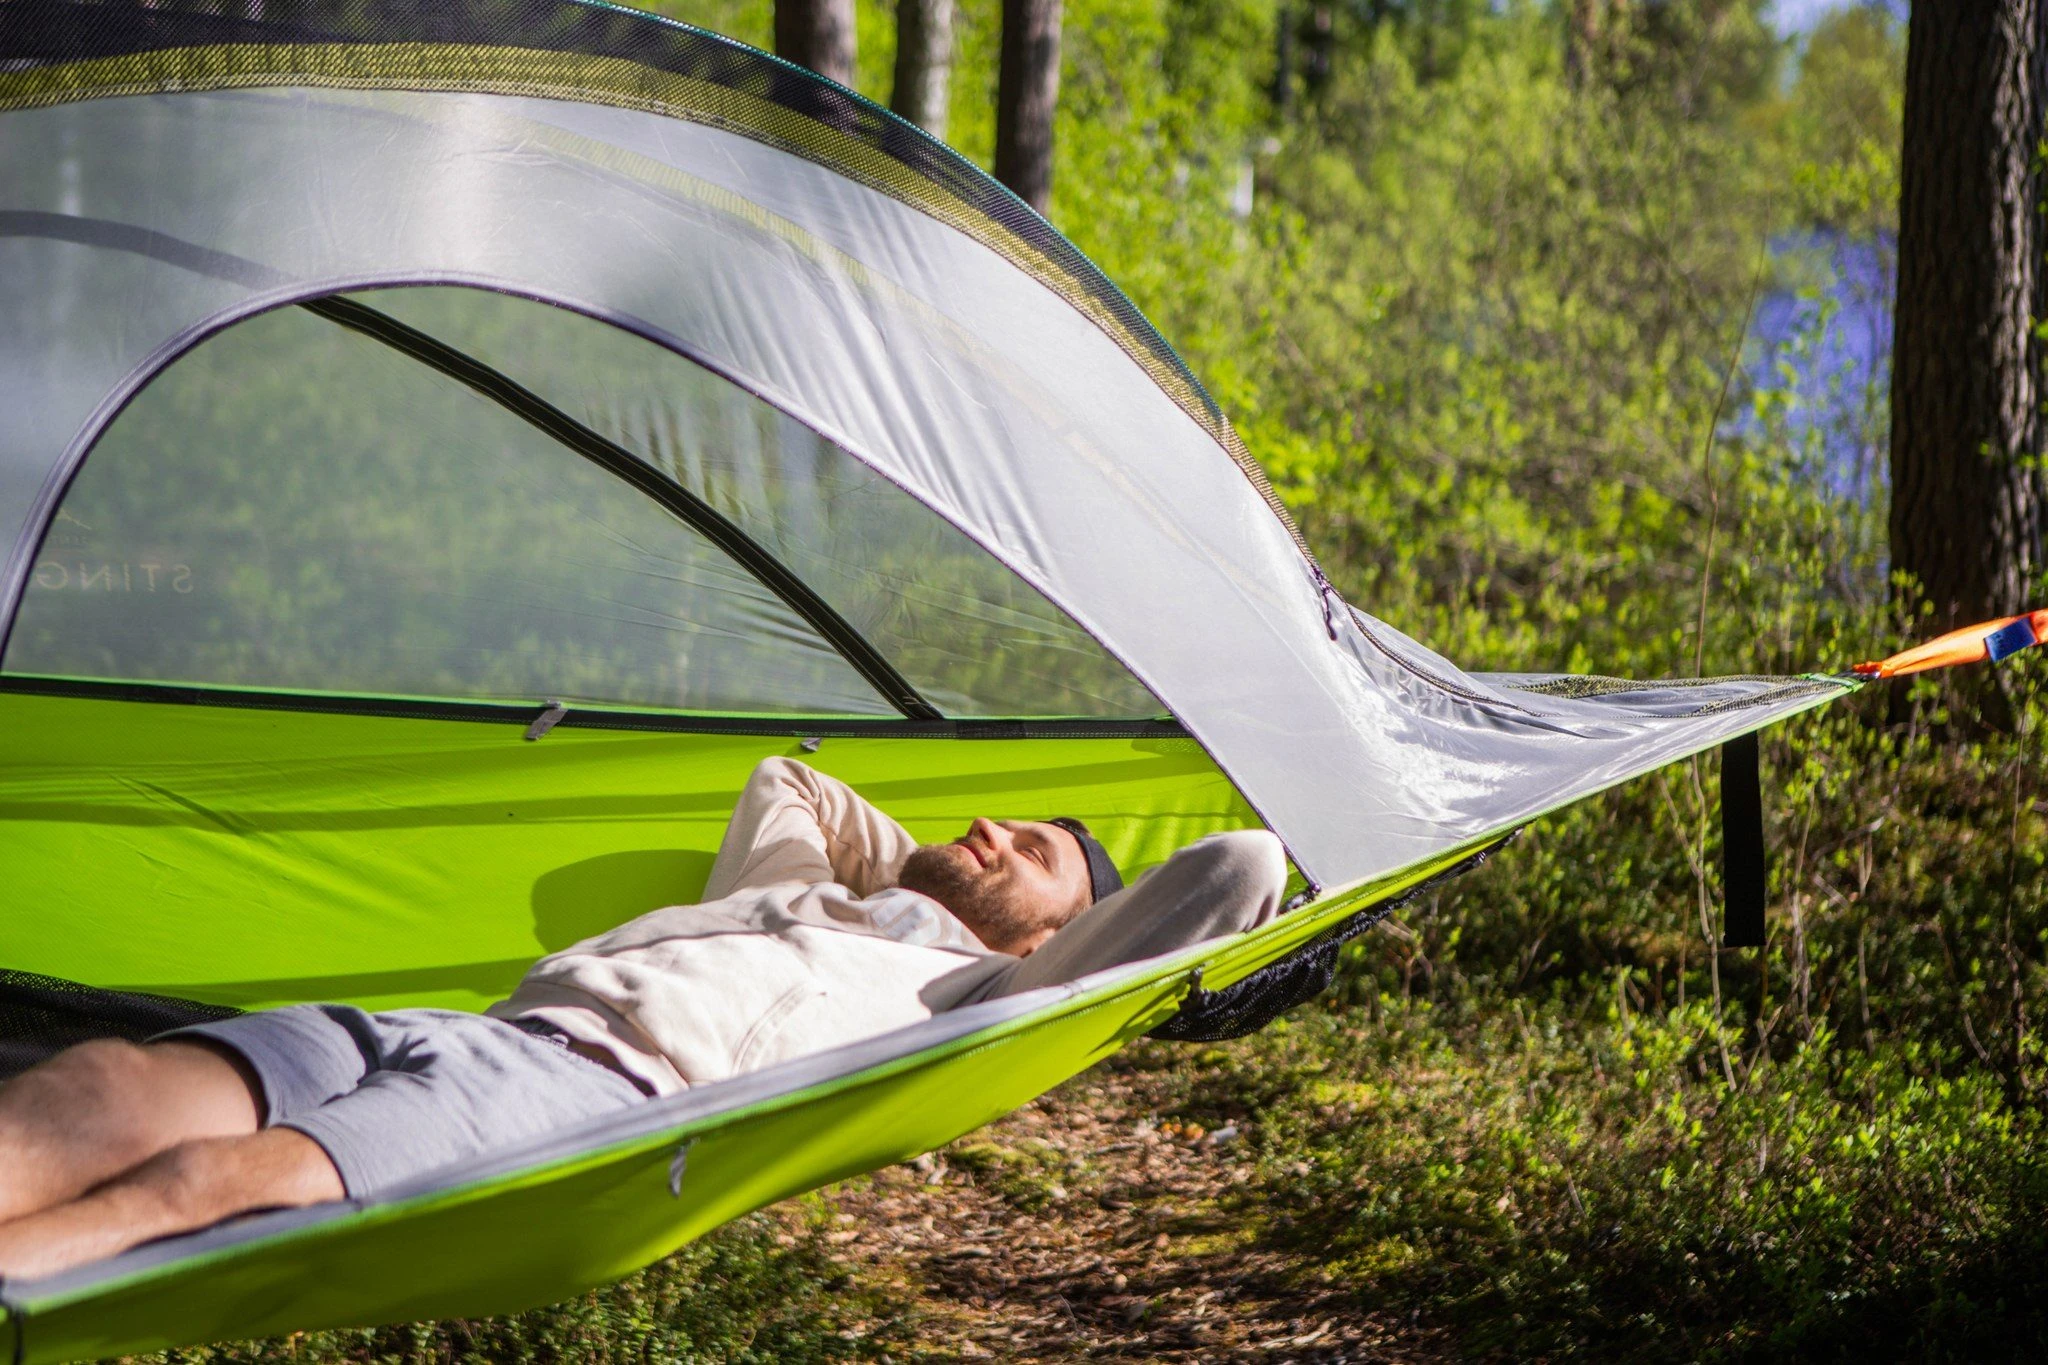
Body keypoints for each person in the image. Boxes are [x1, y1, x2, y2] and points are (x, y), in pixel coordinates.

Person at [0, 757, 1287, 1280]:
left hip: (591, 1095)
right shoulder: (792, 893)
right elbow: (791, 778)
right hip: (461, 1023)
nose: (991, 826)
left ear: (1067, 938)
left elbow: (1238, 869)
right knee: (108, 1083)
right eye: (1002, 818)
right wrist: (910, 872)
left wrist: (994, 919)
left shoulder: (974, 997)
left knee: (210, 1183)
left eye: (1035, 851)